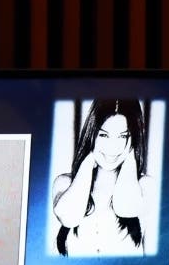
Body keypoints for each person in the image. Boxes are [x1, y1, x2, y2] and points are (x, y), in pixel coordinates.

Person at [52, 98, 157, 256]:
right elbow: (70, 218)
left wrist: (130, 159)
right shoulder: (65, 183)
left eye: (123, 137)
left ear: (134, 139)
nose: (113, 147)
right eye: (103, 135)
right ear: (91, 134)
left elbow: (126, 209)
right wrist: (88, 160)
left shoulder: (145, 186)